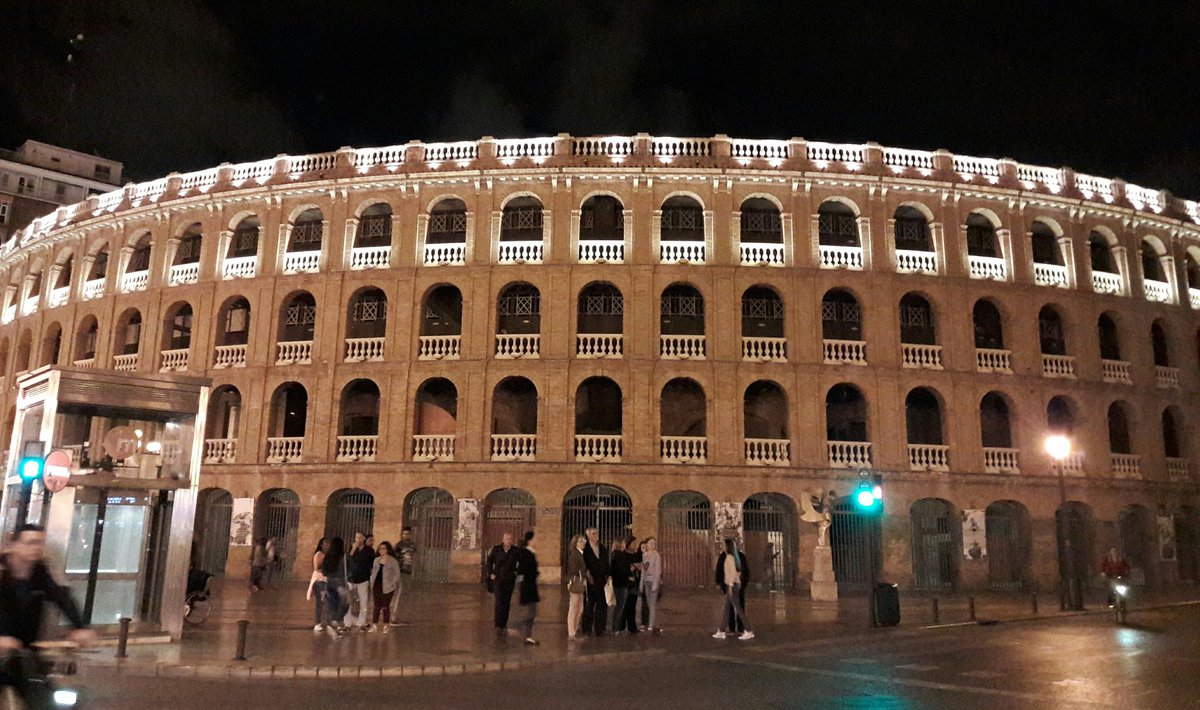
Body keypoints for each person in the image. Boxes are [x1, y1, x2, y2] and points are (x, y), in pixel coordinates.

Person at [0, 524, 95, 707]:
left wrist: (79, 627)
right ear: (13, 545)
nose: (36, 548)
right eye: (30, 543)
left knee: (45, 700)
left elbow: (62, 597)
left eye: (40, 543)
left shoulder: (40, 572)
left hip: (22, 652)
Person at [713, 538, 754, 640]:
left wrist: (730, 585)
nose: (722, 546)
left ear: (727, 546)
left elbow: (732, 572)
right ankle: (721, 630)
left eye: (723, 545)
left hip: (732, 586)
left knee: (738, 608)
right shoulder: (735, 557)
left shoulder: (730, 557)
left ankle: (748, 630)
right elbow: (739, 571)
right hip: (734, 585)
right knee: (727, 608)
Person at [485, 532, 520, 633]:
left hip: (509, 579)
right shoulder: (496, 550)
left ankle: (504, 624)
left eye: (510, 539)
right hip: (498, 579)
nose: (508, 541)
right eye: (507, 539)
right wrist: (491, 573)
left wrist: (516, 572)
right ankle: (497, 624)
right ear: (503, 540)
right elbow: (489, 562)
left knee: (506, 602)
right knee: (499, 601)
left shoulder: (515, 551)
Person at [580, 527, 610, 636]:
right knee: (589, 604)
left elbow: (606, 561)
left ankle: (600, 628)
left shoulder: (602, 547)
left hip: (601, 579)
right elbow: (583, 563)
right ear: (588, 535)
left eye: (597, 533)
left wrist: (607, 574)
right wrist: (587, 574)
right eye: (594, 533)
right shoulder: (585, 549)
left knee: (602, 604)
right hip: (590, 580)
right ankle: (586, 628)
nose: (596, 535)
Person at [344, 532, 375, 630]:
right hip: (351, 579)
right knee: (348, 602)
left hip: (363, 579)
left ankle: (361, 623)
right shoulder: (352, 549)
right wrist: (353, 549)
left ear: (364, 539)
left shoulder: (369, 550)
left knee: (363, 602)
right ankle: (347, 623)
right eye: (356, 537)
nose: (358, 539)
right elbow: (347, 560)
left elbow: (371, 564)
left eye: (360, 537)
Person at [514, 530, 540, 645]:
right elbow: (523, 570)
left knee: (531, 611)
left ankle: (527, 635)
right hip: (528, 586)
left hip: (530, 585)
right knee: (530, 611)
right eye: (535, 539)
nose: (537, 541)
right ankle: (525, 634)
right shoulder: (526, 554)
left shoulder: (530, 553)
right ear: (530, 540)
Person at [368, 541, 400, 632]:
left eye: (383, 549)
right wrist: (371, 581)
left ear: (387, 550)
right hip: (377, 585)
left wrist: (392, 583)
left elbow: (397, 574)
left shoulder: (392, 561)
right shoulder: (376, 560)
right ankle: (374, 624)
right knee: (376, 605)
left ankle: (386, 625)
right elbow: (373, 572)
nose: (381, 550)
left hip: (388, 586)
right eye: (380, 549)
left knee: (385, 606)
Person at [321, 537, 348, 638]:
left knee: (333, 605)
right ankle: (335, 622)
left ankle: (332, 625)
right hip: (340, 582)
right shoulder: (344, 557)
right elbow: (352, 568)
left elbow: (324, 571)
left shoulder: (327, 557)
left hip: (329, 583)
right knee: (345, 604)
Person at [389, 527, 416, 625]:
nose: (406, 536)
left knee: (406, 594)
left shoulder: (412, 545)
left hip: (408, 571)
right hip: (400, 571)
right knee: (400, 593)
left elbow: (414, 557)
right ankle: (394, 617)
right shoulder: (398, 546)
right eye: (404, 534)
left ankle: (401, 616)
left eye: (407, 534)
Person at [609, 538, 635, 633]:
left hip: (617, 583)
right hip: (622, 583)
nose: (625, 545)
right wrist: (629, 574)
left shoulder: (614, 555)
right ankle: (616, 628)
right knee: (620, 606)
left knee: (619, 605)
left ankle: (616, 627)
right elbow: (622, 570)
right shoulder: (620, 555)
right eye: (624, 543)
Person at [565, 534, 587, 640]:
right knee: (574, 607)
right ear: (576, 543)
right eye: (581, 541)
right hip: (576, 582)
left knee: (580, 607)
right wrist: (582, 575)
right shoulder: (575, 554)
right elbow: (574, 569)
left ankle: (575, 629)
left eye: (584, 541)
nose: (584, 543)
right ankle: (571, 632)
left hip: (580, 582)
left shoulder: (581, 554)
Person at [637, 537, 662, 633]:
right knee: (648, 603)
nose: (652, 544)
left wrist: (655, 584)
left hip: (653, 581)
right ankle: (654, 623)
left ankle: (651, 626)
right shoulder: (645, 555)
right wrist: (641, 583)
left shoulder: (656, 555)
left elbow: (658, 570)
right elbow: (643, 570)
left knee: (652, 604)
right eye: (650, 543)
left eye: (654, 543)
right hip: (646, 581)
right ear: (647, 544)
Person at [620, 537, 642, 633]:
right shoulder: (624, 555)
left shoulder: (636, 555)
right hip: (626, 583)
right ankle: (621, 626)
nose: (635, 545)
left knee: (632, 605)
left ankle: (632, 627)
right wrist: (630, 569)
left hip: (635, 583)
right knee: (625, 605)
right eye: (634, 543)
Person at [307, 537, 329, 632]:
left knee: (327, 602)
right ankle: (317, 622)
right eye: (325, 543)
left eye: (328, 543)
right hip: (319, 580)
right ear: (321, 544)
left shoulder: (327, 554)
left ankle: (326, 621)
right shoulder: (319, 554)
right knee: (320, 602)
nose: (327, 545)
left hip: (326, 580)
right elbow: (317, 568)